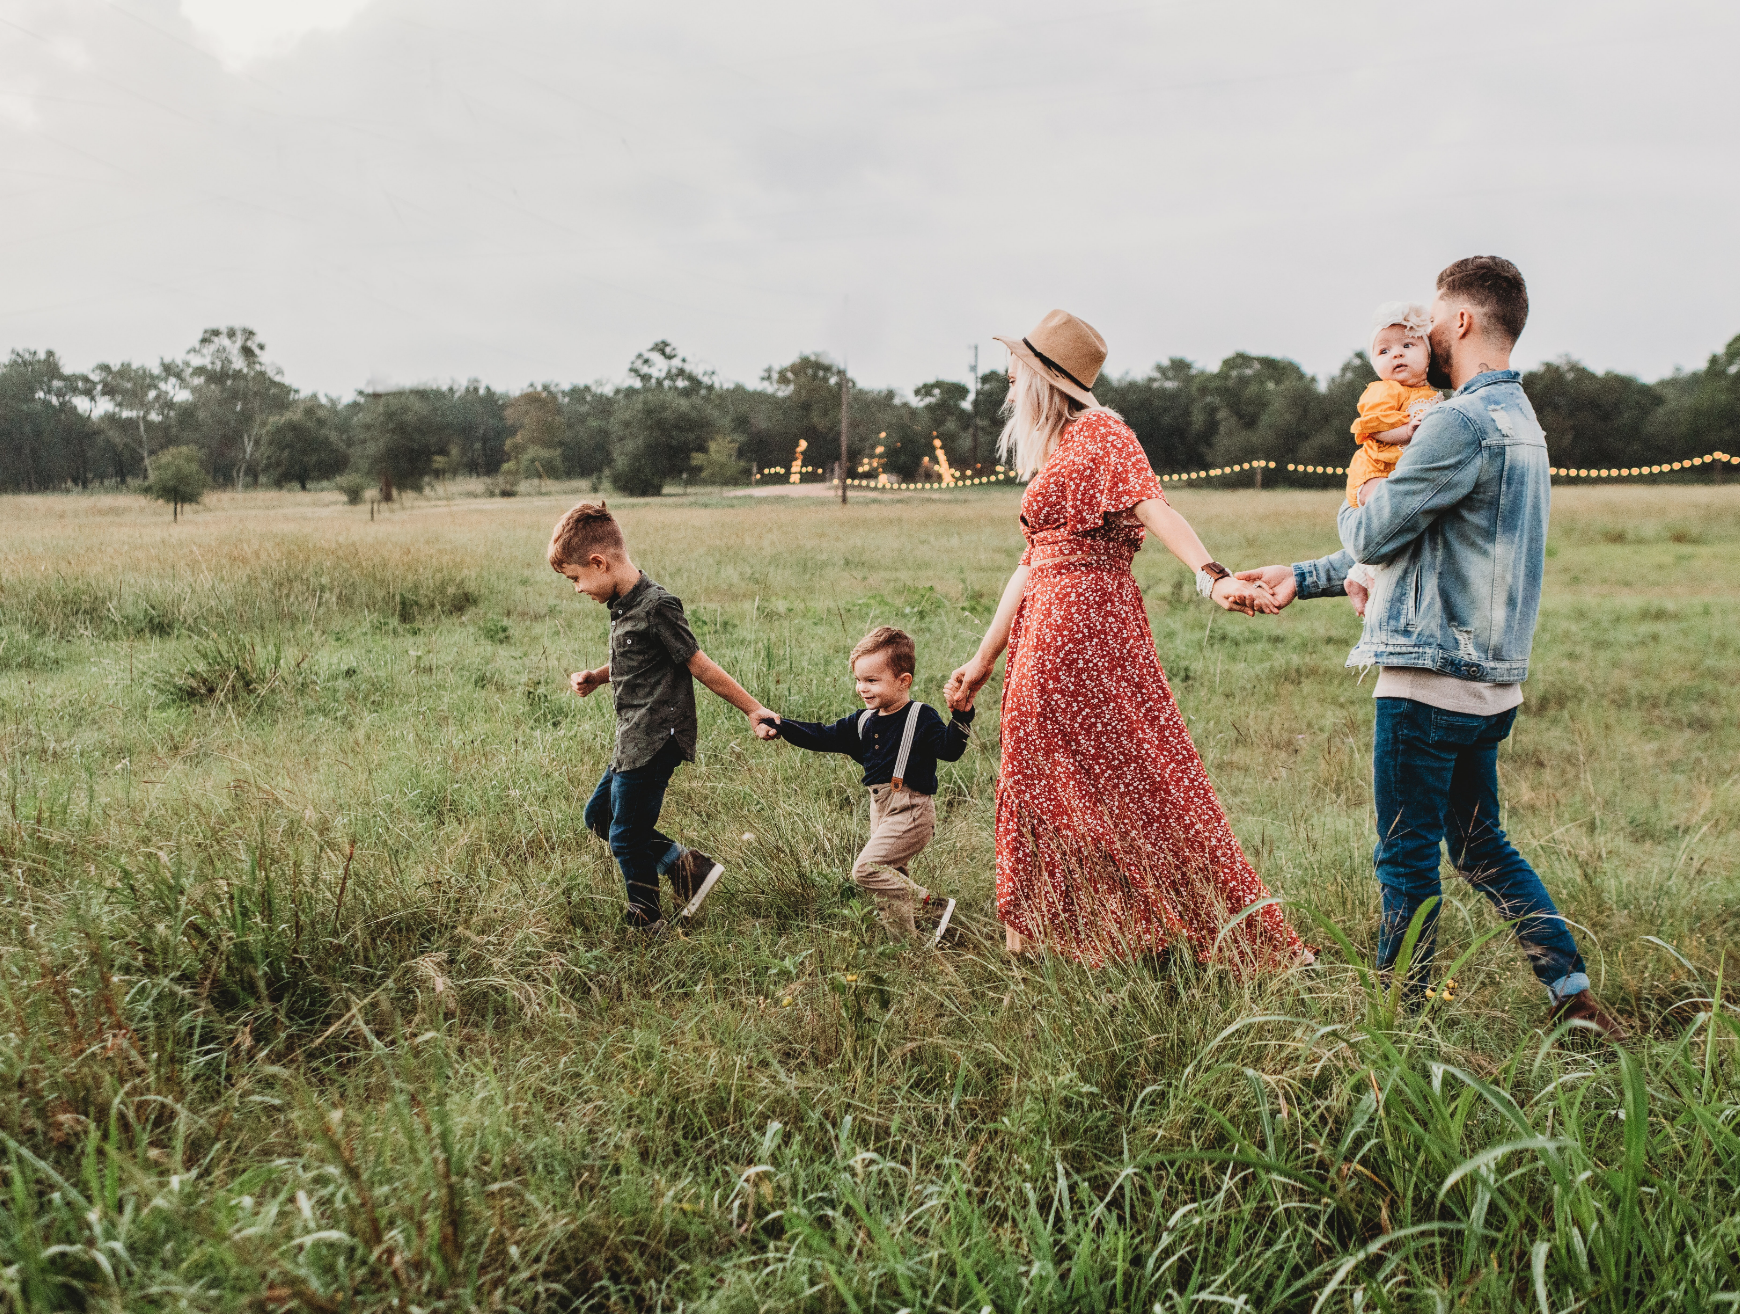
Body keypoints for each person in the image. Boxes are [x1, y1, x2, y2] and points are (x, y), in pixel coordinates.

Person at [1236, 257, 1625, 1038]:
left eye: (1436, 317)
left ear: (1464, 322)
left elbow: (1378, 530)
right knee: (1481, 846)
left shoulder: (1456, 421)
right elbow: (1424, 543)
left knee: (1405, 858)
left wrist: (1361, 498)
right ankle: (1572, 994)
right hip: (1491, 684)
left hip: (1427, 679)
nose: (1425, 333)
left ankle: (1396, 1021)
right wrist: (1303, 576)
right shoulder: (1522, 423)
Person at [943, 309, 1311, 969]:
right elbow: (1031, 565)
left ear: (1043, 378)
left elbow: (1154, 505)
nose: (1005, 380)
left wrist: (1212, 576)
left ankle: (1185, 931)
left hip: (1084, 627)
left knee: (1137, 775)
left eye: (1015, 369)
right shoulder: (1059, 447)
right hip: (1046, 626)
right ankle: (1046, 939)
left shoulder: (1101, 432)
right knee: (1041, 775)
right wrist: (981, 658)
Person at [551, 501, 778, 934]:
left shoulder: (658, 606)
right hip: (631, 737)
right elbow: (635, 661)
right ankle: (688, 869)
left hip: (656, 738)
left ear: (599, 563)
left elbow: (698, 663)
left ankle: (646, 919)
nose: (578, 589)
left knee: (625, 834)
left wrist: (754, 708)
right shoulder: (622, 605)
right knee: (599, 816)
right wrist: (598, 677)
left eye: (576, 578)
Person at [764, 626, 972, 943]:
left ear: (904, 681)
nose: (862, 688)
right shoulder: (862, 721)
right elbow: (821, 735)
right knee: (890, 883)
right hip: (881, 810)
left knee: (867, 870)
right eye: (859, 680)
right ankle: (907, 951)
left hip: (912, 811)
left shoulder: (921, 716)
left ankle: (934, 905)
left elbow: (951, 750)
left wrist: (961, 716)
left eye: (872, 680)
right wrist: (781, 725)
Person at [1343, 303, 1442, 613]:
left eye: (1407, 345)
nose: (1396, 354)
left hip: (1397, 473)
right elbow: (1374, 427)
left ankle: (1359, 575)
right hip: (1374, 471)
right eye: (1384, 351)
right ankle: (1365, 577)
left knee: (1401, 524)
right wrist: (1406, 431)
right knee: (1386, 515)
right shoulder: (1385, 391)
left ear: (1428, 355)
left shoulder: (1432, 394)